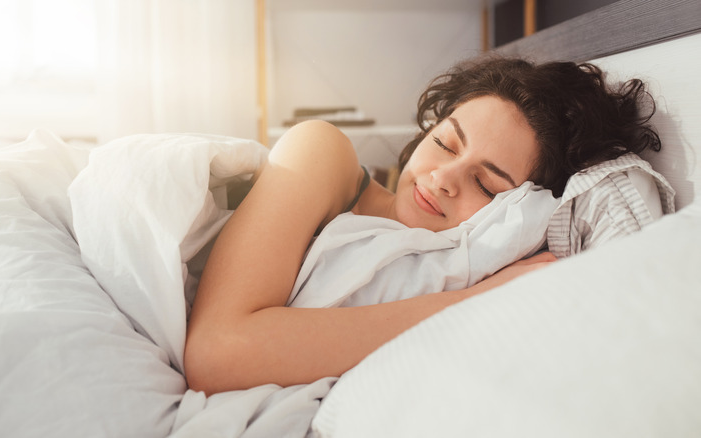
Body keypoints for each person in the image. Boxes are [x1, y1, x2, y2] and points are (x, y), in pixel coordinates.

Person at [184, 56, 660, 395]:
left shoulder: (459, 264)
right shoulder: (323, 152)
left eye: (488, 186)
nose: (443, 178)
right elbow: (216, 353)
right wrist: (472, 304)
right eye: (446, 144)